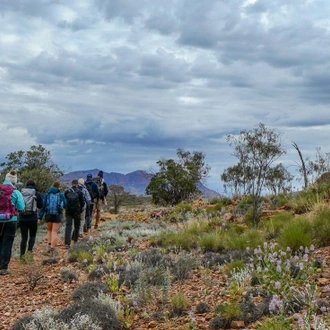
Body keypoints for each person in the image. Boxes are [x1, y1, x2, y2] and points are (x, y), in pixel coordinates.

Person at [0, 170, 25, 275]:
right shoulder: (16, 192)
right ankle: (3, 267)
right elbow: (21, 207)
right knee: (7, 243)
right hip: (11, 221)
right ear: (14, 181)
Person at [39, 180, 66, 257]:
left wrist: (40, 216)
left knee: (49, 230)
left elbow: (43, 206)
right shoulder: (60, 194)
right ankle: (52, 249)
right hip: (57, 215)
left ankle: (48, 245)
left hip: (48, 214)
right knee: (54, 232)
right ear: (58, 186)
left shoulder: (47, 194)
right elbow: (65, 204)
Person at [19, 179, 43, 260]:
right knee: (32, 236)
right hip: (33, 217)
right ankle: (29, 252)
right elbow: (40, 206)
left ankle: (22, 255)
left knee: (24, 237)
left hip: (22, 218)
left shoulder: (21, 193)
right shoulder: (37, 193)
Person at [64, 179, 84, 248]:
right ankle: (75, 241)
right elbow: (83, 202)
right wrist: (80, 210)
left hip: (68, 211)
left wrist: (66, 208)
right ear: (77, 184)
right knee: (77, 225)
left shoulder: (67, 191)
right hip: (77, 211)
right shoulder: (79, 192)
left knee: (68, 226)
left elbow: (64, 201)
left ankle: (67, 243)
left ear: (71, 184)